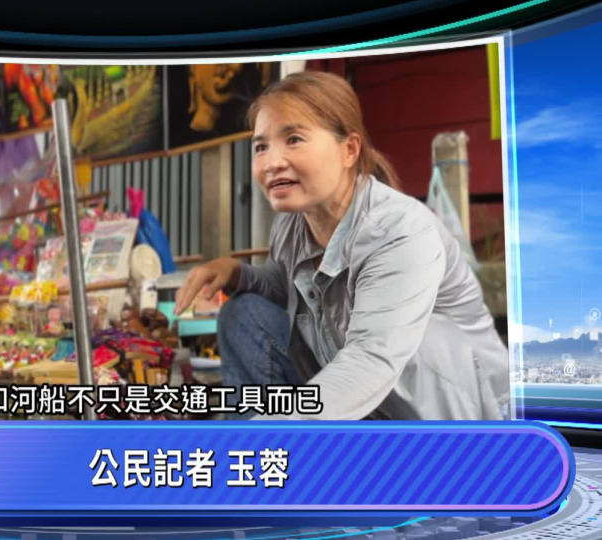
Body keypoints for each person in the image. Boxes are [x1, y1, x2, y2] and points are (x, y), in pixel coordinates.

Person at [174, 71, 509, 421]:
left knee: (424, 337)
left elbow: (370, 360)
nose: (272, 162)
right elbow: (286, 288)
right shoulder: (291, 224)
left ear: (349, 150)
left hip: (449, 412)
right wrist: (236, 273)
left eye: (294, 139)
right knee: (244, 314)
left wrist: (264, 434)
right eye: (261, 147)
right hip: (357, 394)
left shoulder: (399, 229)